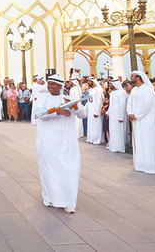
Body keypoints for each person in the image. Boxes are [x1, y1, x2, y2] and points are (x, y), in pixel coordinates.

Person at [33, 74, 86, 213]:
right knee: (49, 169)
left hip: (68, 143)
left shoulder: (69, 99)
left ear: (60, 86)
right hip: (48, 141)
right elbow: (38, 114)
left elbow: (83, 114)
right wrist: (57, 112)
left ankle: (68, 201)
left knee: (68, 169)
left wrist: (75, 106)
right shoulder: (43, 98)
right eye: (49, 84)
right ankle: (49, 197)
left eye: (53, 85)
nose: (50, 87)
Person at [127, 71, 155, 174]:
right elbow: (130, 102)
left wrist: (137, 115)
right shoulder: (134, 90)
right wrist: (130, 113)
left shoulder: (147, 90)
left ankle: (150, 166)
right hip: (136, 121)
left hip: (146, 121)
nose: (131, 77)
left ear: (138, 78)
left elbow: (146, 105)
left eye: (133, 76)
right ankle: (140, 165)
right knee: (139, 143)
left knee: (148, 142)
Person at [106, 79, 128, 153]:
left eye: (111, 84)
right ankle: (113, 146)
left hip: (119, 115)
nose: (110, 85)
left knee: (119, 131)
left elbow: (123, 105)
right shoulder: (112, 93)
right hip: (112, 115)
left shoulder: (122, 93)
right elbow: (111, 105)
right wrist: (108, 112)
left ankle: (119, 147)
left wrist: (121, 116)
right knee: (113, 130)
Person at [86, 78, 104, 145]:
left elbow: (99, 101)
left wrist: (96, 112)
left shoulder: (97, 89)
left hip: (95, 110)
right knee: (91, 124)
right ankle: (91, 138)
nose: (88, 82)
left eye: (89, 81)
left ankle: (96, 139)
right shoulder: (90, 90)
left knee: (96, 125)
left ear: (93, 82)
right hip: (90, 109)